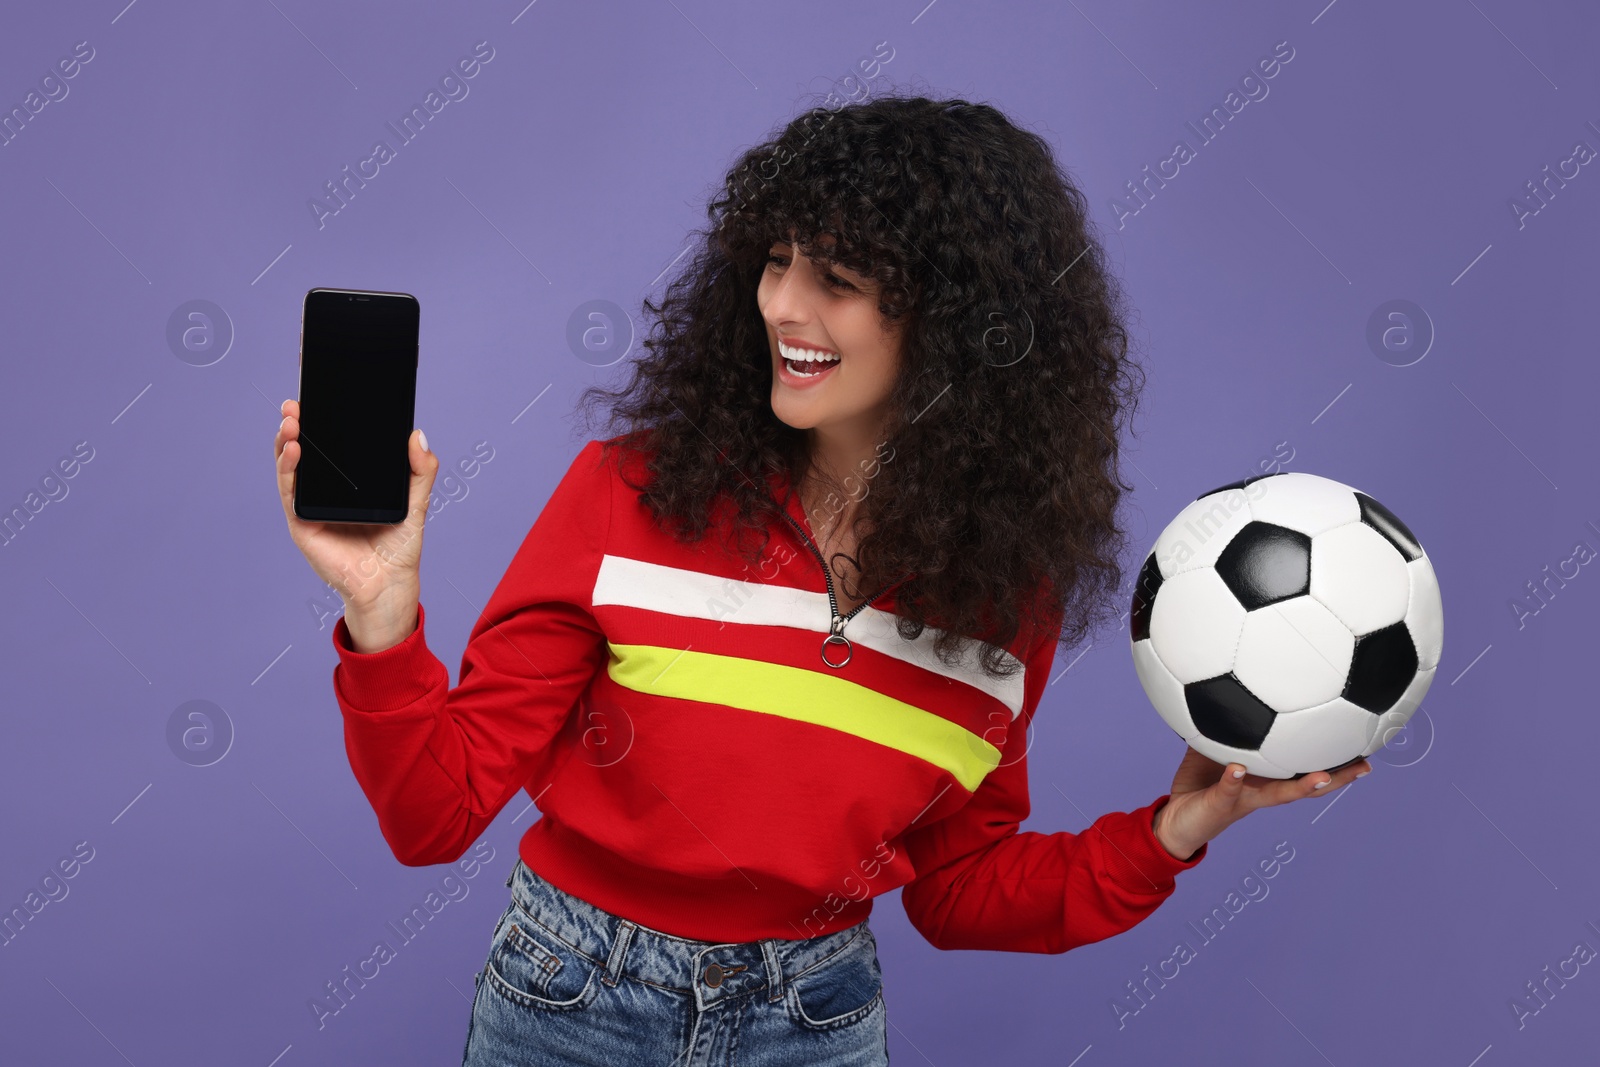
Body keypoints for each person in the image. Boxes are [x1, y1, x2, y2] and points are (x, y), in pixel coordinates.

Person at [273, 94, 1370, 1066]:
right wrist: (383, 614)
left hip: (813, 1018)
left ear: (950, 327)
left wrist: (1176, 826)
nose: (783, 306)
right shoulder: (628, 491)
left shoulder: (1001, 598)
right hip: (571, 1000)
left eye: (836, 280)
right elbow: (433, 812)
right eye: (774, 260)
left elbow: (957, 889)